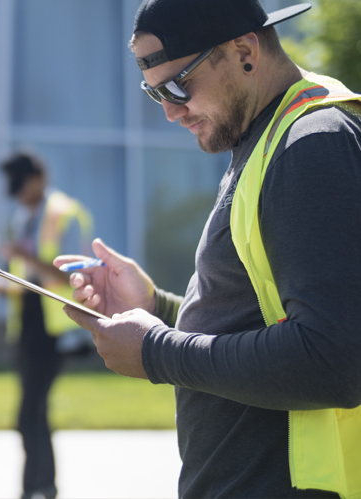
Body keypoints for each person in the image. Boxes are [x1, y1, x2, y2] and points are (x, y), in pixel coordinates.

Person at [55, 1, 361, 497]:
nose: (172, 112)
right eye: (155, 95)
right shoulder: (267, 135)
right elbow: (260, 321)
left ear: (244, 50)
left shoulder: (312, 144)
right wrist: (157, 308)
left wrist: (156, 351)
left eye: (178, 86)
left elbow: (333, 359)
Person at [0, 152, 94, 499]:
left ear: (38, 179)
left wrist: (24, 258)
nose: (17, 195)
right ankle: (41, 487)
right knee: (34, 415)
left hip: (53, 332)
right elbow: (28, 279)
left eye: (20, 186)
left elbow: (67, 275)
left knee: (30, 415)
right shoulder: (24, 216)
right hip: (26, 327)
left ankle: (37, 488)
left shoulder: (64, 215)